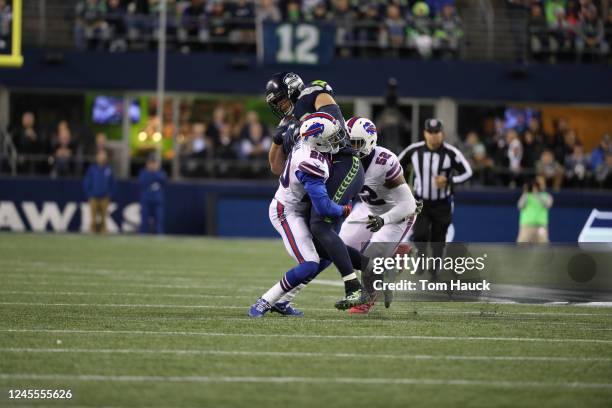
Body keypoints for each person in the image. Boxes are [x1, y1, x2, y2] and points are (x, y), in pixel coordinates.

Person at [265, 72, 367, 309]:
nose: (281, 107)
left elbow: (333, 118)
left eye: (281, 100)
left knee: (320, 225)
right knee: (319, 243)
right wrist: (279, 138)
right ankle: (376, 271)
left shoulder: (312, 94)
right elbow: (276, 167)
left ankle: (353, 287)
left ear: (291, 90)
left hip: (344, 163)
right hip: (327, 174)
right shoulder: (287, 122)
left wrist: (302, 126)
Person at [248, 114, 353, 317]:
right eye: (331, 138)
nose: (336, 140)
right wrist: (344, 209)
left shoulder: (303, 139)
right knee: (309, 264)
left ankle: (284, 302)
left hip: (297, 208)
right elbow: (324, 207)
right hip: (287, 211)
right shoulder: (311, 163)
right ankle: (264, 301)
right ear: (317, 140)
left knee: (325, 257)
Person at [340, 117, 420, 314]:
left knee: (370, 256)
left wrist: (384, 220)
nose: (350, 147)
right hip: (369, 209)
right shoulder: (344, 159)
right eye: (347, 142)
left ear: (370, 141)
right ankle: (393, 260)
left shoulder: (384, 161)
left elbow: (408, 204)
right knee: (340, 246)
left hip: (396, 213)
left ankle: (367, 297)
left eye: (356, 143)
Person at [398, 119, 472, 280]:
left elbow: (467, 172)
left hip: (442, 203)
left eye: (436, 132)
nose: (433, 136)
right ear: (424, 133)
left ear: (442, 133)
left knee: (439, 238)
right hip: (420, 202)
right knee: (420, 234)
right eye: (430, 132)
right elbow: (395, 165)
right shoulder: (414, 150)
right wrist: (402, 187)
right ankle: (421, 260)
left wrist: (449, 181)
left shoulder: (451, 153)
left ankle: (435, 268)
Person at [83, 149, 114, 234]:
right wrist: (89, 193)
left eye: (103, 155)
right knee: (93, 218)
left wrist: (109, 194)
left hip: (105, 197)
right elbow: (87, 181)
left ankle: (103, 233)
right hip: (93, 196)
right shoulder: (92, 169)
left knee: (104, 218)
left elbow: (112, 183)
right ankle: (92, 232)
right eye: (100, 155)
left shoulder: (109, 169)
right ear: (97, 157)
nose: (102, 157)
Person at [517, 178, 553, 243]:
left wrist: (537, 194)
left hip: (541, 226)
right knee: (522, 249)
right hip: (526, 226)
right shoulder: (526, 195)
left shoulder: (546, 196)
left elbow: (548, 205)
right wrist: (526, 192)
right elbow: (520, 206)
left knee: (543, 248)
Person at [139, 155, 167, 234]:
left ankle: (159, 236)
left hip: (157, 200)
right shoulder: (143, 172)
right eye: (150, 163)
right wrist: (152, 175)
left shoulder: (161, 172)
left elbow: (163, 181)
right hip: (146, 200)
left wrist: (155, 173)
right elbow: (143, 182)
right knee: (144, 219)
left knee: (159, 220)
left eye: (154, 163)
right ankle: (143, 236)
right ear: (147, 164)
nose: (152, 165)